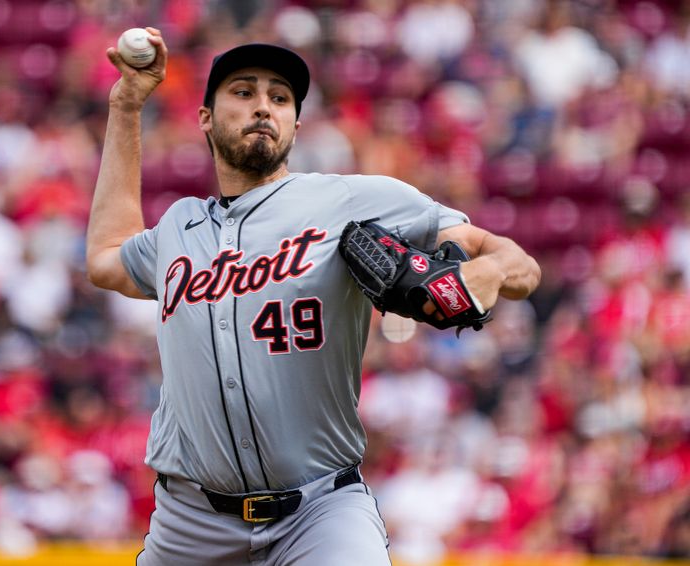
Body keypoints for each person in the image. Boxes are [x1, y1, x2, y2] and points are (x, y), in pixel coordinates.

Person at [86, 27, 541, 566]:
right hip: (190, 524)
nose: (263, 107)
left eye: (280, 98)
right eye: (243, 92)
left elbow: (519, 264)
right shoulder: (179, 228)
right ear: (205, 117)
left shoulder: (348, 199)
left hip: (319, 514)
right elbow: (105, 259)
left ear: (295, 126)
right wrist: (127, 108)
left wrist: (481, 275)